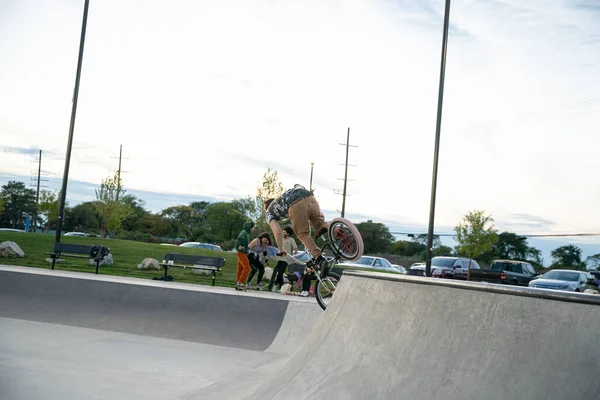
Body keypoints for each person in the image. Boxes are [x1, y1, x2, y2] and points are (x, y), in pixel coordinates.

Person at [264, 184, 329, 271]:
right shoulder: (279, 201)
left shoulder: (268, 212)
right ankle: (337, 232)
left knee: (303, 234)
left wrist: (281, 249)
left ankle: (319, 258)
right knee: (320, 224)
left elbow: (277, 232)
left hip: (295, 203)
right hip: (309, 196)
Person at [268, 226, 298, 292]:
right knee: (280, 273)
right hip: (279, 258)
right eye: (282, 232)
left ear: (288, 233)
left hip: (286, 260)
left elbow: (295, 249)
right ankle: (281, 287)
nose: (282, 233)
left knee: (280, 272)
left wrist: (294, 258)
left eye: (284, 232)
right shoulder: (281, 239)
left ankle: (275, 285)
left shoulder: (291, 240)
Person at [235, 221, 254, 291]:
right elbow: (240, 238)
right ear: (249, 227)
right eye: (253, 228)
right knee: (247, 268)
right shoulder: (244, 233)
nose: (253, 229)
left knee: (240, 269)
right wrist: (241, 245)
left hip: (241, 252)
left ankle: (238, 283)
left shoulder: (245, 233)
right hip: (241, 253)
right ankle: (240, 282)